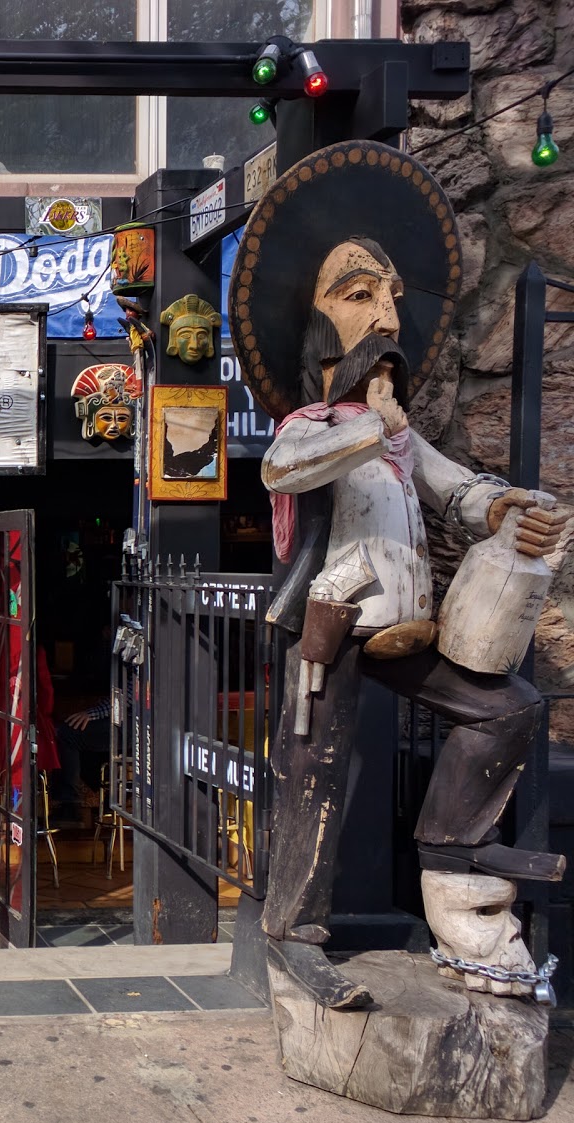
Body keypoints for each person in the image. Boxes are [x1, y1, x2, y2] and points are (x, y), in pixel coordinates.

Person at [233, 144, 569, 1010]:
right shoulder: (319, 422)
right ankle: (291, 928)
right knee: (317, 772)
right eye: (358, 295)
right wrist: (365, 419)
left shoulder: (398, 436)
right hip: (335, 621)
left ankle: (453, 863)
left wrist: (504, 509)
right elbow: (285, 467)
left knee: (511, 708)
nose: (386, 315)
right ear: (316, 323)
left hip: (408, 628)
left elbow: (455, 487)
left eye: (390, 296)